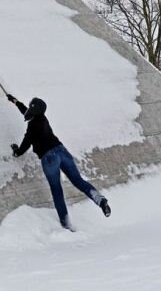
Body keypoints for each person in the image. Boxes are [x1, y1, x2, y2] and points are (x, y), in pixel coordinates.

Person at [6, 93, 111, 231]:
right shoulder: (42, 118)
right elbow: (27, 111)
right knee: (78, 180)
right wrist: (15, 101)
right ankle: (100, 200)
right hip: (62, 151)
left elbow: (26, 143)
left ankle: (66, 224)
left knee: (57, 190)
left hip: (49, 158)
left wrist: (17, 152)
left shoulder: (32, 127)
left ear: (34, 110)